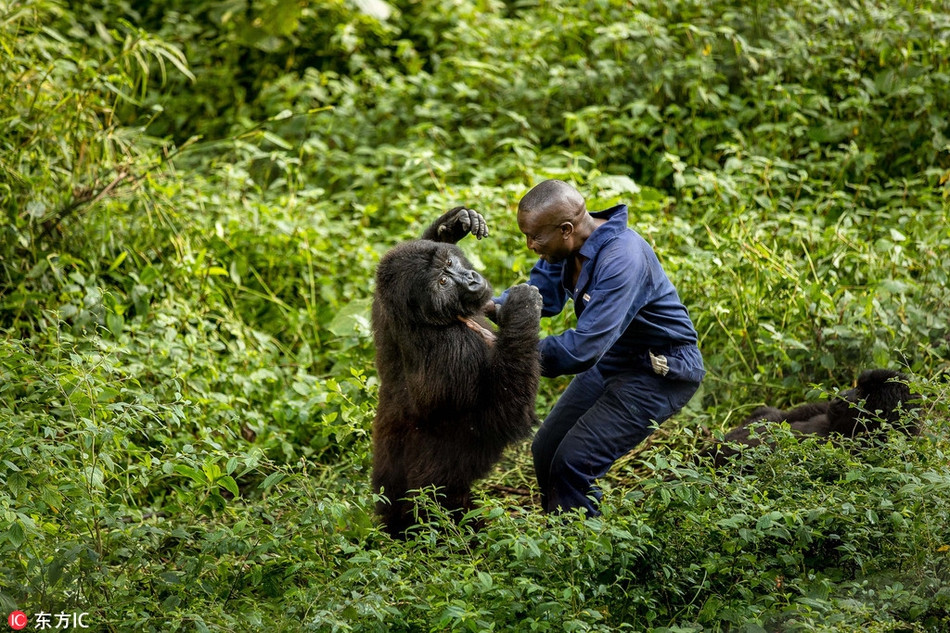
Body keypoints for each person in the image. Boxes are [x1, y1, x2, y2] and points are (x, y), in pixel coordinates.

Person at [490, 179, 705, 516]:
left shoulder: (622, 259)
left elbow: (582, 349)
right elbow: (537, 297)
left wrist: (510, 354)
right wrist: (484, 307)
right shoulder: (564, 246)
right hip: (615, 357)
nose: (530, 245)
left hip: (658, 371)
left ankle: (581, 552)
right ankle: (561, 534)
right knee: (545, 450)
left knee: (572, 462)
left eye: (535, 237)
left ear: (565, 228)